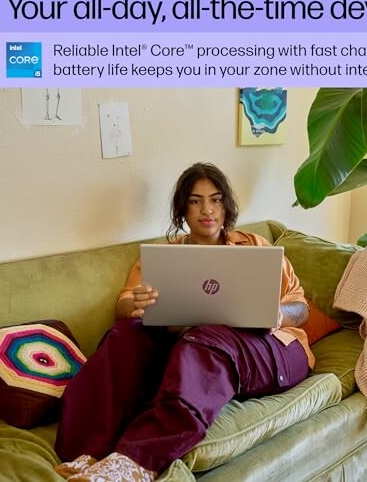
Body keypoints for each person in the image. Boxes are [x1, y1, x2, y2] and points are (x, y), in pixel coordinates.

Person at [54, 162, 314, 481]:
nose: (207, 209)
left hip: (272, 350)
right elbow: (124, 305)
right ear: (183, 209)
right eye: (195, 200)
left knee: (204, 339)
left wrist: (278, 314)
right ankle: (86, 451)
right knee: (125, 335)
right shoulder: (164, 259)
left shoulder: (256, 247)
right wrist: (132, 305)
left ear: (226, 205)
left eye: (216, 199)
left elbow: (301, 307)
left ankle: (136, 461)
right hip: (193, 350)